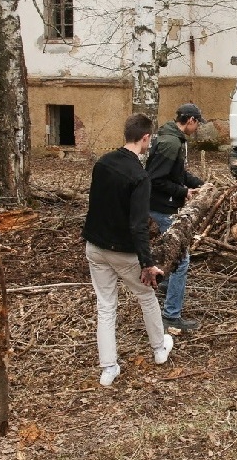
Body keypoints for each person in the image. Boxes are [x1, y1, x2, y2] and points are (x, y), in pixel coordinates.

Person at [82, 113, 173, 387]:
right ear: (145, 138)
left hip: (95, 246)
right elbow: (138, 225)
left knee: (105, 306)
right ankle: (159, 349)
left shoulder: (103, 163)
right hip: (122, 251)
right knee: (147, 296)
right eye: (149, 140)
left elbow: (96, 204)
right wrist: (148, 263)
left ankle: (108, 368)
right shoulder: (139, 176)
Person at [145, 103, 206, 332]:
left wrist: (201, 184)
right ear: (190, 120)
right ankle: (171, 314)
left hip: (164, 204)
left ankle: (165, 288)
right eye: (197, 123)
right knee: (181, 259)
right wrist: (183, 192)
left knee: (172, 254)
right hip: (163, 207)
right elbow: (156, 179)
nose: (197, 128)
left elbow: (177, 174)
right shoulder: (171, 143)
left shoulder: (173, 138)